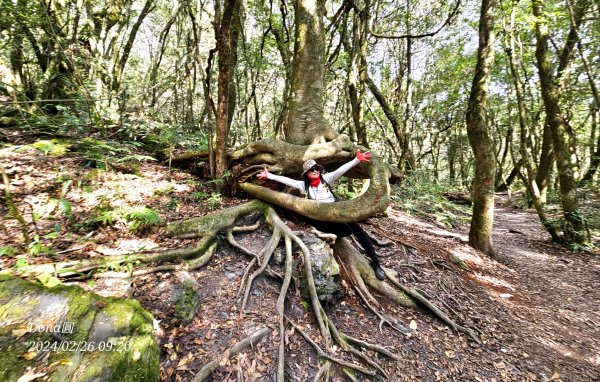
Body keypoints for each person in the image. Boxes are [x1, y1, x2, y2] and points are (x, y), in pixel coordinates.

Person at [257, 150, 386, 280]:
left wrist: (357, 160)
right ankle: (328, 233)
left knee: (357, 229)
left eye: (317, 168)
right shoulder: (304, 186)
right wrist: (269, 176)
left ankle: (376, 263)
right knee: (347, 230)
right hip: (322, 219)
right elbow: (288, 180)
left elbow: (341, 170)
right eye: (311, 169)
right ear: (306, 174)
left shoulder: (326, 179)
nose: (315, 170)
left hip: (337, 211)